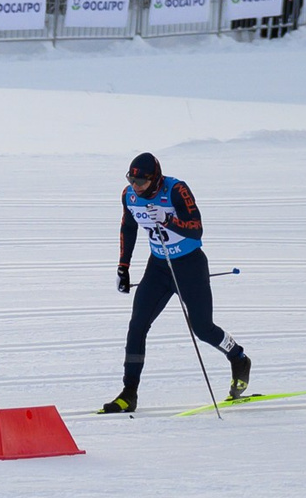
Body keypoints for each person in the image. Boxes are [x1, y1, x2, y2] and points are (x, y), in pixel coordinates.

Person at [101, 153, 252, 413]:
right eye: (132, 180)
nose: (136, 186)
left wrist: (169, 219)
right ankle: (129, 393)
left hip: (189, 265)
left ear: (155, 179)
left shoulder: (177, 190)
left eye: (141, 182)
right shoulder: (129, 196)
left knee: (202, 328)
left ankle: (238, 356)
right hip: (159, 266)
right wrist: (123, 267)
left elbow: (196, 228)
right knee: (137, 326)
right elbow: (128, 228)